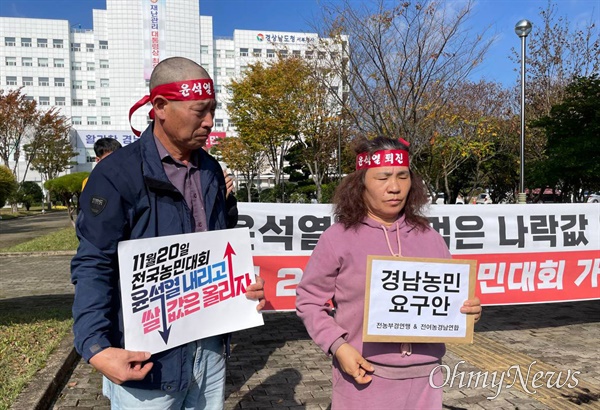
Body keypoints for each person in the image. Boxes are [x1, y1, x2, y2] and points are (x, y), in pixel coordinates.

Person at [71, 56, 265, 409]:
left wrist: (242, 288)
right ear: (160, 107)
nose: (210, 122)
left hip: (209, 351)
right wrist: (95, 347)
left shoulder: (210, 168)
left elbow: (219, 245)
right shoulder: (116, 174)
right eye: (199, 111)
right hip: (148, 359)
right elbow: (93, 263)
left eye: (213, 110)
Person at [295, 136, 482, 410]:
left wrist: (469, 311)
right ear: (360, 183)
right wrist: (338, 346)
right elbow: (309, 301)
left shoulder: (430, 237)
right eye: (382, 178)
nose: (394, 187)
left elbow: (448, 299)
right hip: (362, 375)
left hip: (426, 379)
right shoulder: (337, 238)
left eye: (402, 177)